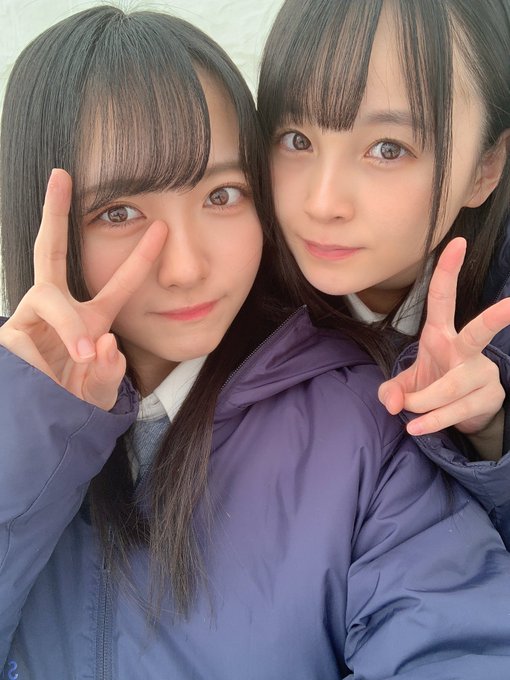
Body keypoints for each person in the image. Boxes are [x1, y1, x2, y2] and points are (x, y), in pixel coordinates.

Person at [1, 5, 510, 679]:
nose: (186, 268)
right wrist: (30, 438)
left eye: (221, 195)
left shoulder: (366, 424)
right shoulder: (19, 421)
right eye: (119, 212)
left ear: (487, 166)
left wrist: (492, 435)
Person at [258, 0, 510, 542]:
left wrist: (492, 434)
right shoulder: (231, 285)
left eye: (388, 149)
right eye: (297, 139)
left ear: (485, 168)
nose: (322, 203)